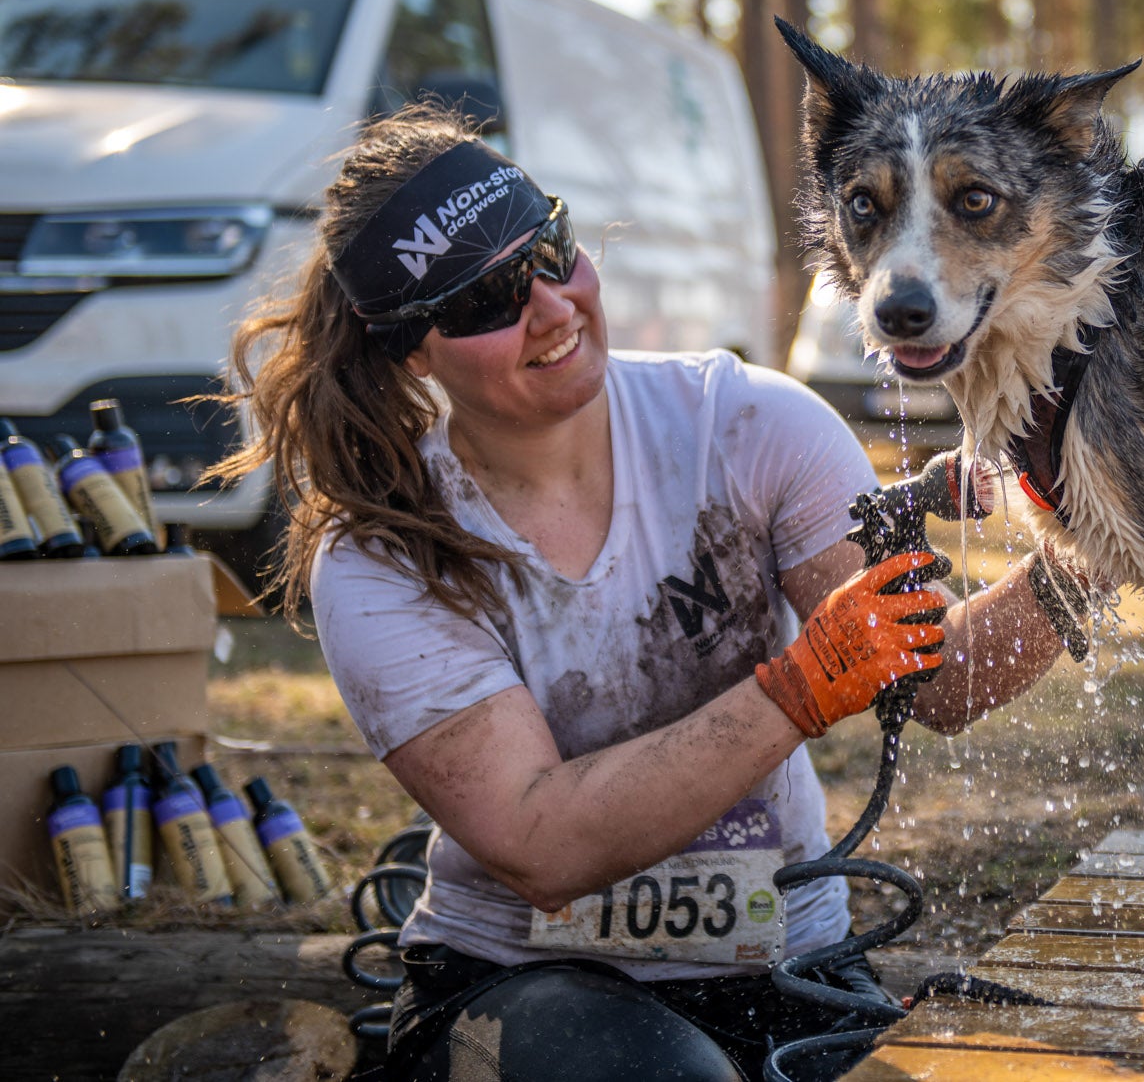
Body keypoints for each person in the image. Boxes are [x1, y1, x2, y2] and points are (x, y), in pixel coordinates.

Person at [215, 108, 1086, 1082]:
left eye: (550, 251)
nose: (550, 307)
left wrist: (1098, 547)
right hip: (520, 982)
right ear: (408, 349)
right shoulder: (381, 548)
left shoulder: (748, 423)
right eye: (486, 299)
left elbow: (939, 684)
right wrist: (793, 692)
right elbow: (540, 842)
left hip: (788, 961)